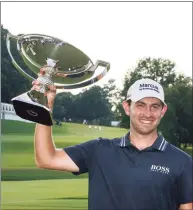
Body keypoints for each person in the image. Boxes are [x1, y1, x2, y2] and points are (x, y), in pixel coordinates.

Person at [32, 77, 192, 210]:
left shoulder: (182, 162)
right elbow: (46, 158)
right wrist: (44, 107)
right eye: (141, 105)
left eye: (154, 106)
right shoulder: (98, 150)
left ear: (163, 111)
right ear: (127, 107)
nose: (148, 113)